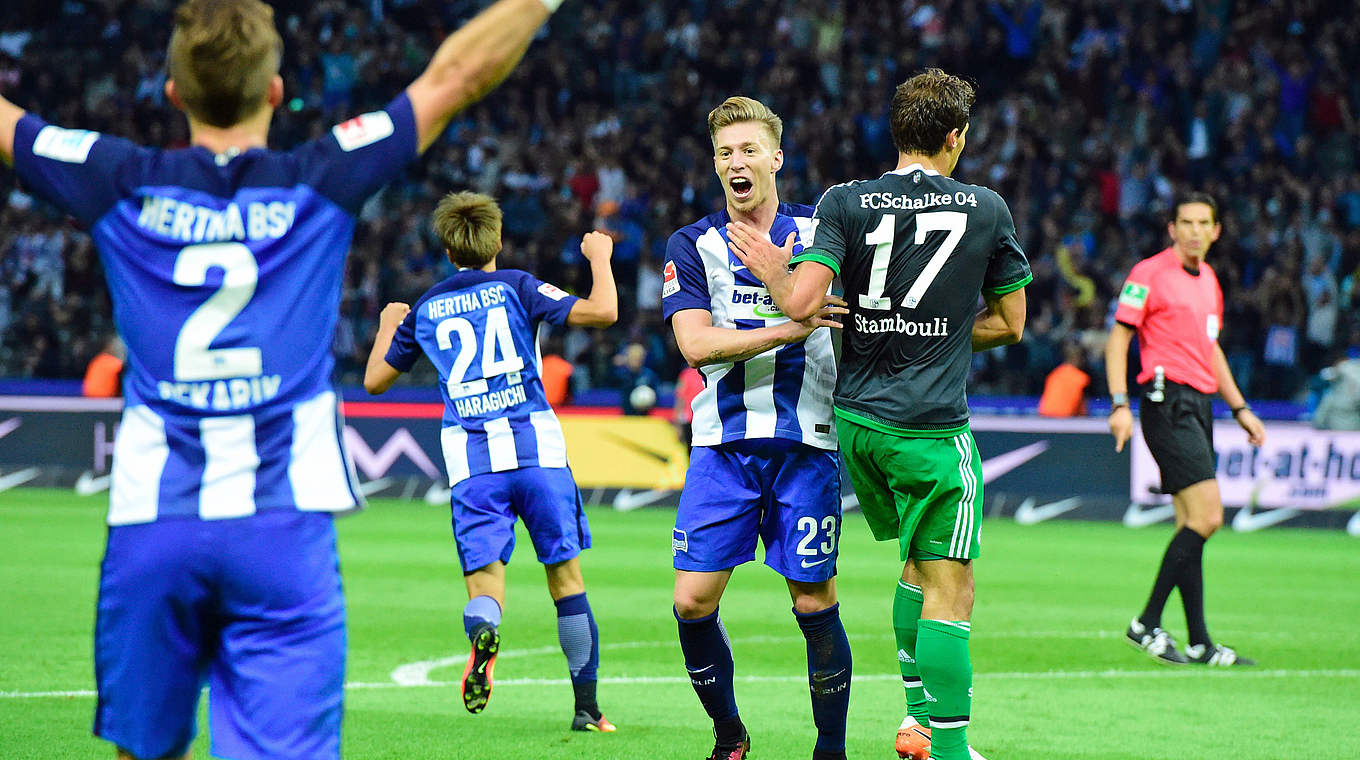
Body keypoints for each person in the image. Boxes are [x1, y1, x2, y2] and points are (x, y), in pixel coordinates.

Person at [0, 0, 563, 757]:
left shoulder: (115, 177)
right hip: (282, 529)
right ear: (275, 92)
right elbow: (456, 75)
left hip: (152, 528)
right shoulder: (319, 177)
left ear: (172, 92)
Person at [730, 69, 1029, 760]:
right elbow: (1012, 322)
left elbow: (803, 304)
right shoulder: (985, 207)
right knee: (953, 589)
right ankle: (950, 751)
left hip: (859, 425)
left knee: (915, 568)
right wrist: (945, 325)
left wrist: (779, 275)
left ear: (895, 133)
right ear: (954, 137)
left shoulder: (844, 200)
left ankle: (918, 722)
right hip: (930, 429)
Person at [364, 191, 619, 730]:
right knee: (567, 581)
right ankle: (587, 710)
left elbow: (375, 381)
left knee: (486, 585)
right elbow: (604, 312)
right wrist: (599, 258)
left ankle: (484, 634)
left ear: (447, 247)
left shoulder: (429, 306)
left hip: (473, 464)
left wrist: (389, 322)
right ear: (497, 240)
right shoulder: (519, 286)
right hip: (537, 454)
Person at [661, 96, 850, 760]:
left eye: (747, 150)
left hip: (809, 444)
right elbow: (693, 344)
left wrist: (785, 280)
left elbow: (847, 312)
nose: (735, 163)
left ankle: (830, 749)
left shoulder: (825, 230)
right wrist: (791, 325)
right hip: (723, 446)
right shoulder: (692, 244)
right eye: (723, 153)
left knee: (813, 603)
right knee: (691, 602)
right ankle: (730, 733)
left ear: (776, 158)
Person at [1105, 193, 1266, 667]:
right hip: (1165, 400)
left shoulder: (1211, 281)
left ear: (1216, 230)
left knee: (1190, 522)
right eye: (1186, 222)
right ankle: (1146, 623)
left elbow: (1210, 349)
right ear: (1171, 228)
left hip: (1200, 404)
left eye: (1204, 223)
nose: (1195, 231)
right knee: (1208, 517)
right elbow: (1118, 341)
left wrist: (1239, 407)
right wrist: (1119, 405)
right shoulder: (1148, 275)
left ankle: (1198, 641)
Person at [1037, 340, 1090, 417]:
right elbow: (1083, 411)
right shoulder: (1082, 378)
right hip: (1065, 421)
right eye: (1084, 358)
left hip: (1045, 419)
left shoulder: (1053, 374)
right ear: (1076, 358)